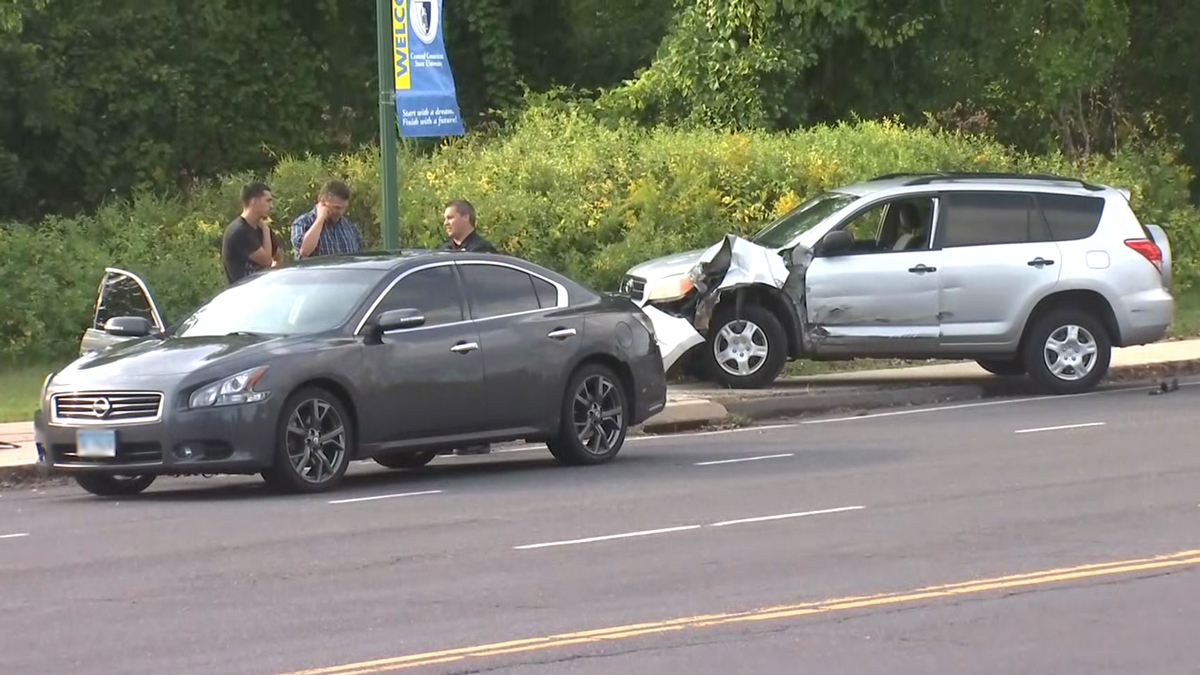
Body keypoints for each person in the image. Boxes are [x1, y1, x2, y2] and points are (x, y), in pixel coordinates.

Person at [222, 182, 281, 286]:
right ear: (254, 201)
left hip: (263, 293)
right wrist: (266, 230)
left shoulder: (261, 229)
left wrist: (273, 279)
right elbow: (266, 261)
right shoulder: (239, 231)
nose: (271, 206)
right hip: (244, 295)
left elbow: (278, 256)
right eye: (268, 201)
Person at [290, 179, 364, 259]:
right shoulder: (303, 222)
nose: (340, 212)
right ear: (322, 202)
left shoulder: (349, 226)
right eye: (336, 208)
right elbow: (305, 251)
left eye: (344, 208)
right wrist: (320, 219)